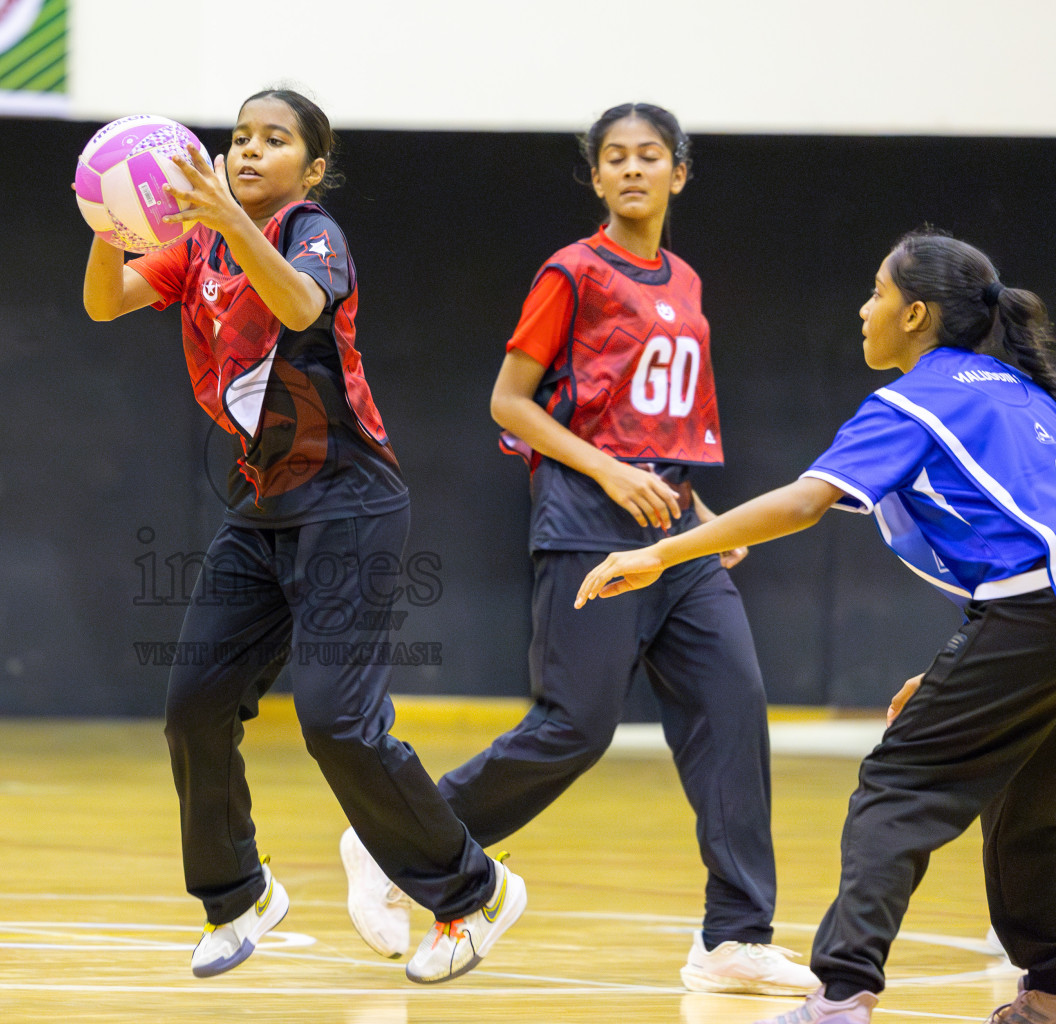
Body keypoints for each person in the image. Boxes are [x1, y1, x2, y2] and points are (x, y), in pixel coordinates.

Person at [340, 102, 816, 996]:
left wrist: (698, 509)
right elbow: (510, 403)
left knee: (734, 705)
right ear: (595, 178)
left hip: (673, 529)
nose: (633, 169)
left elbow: (662, 420)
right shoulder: (572, 271)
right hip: (586, 522)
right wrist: (610, 472)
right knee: (576, 725)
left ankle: (735, 939)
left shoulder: (686, 280)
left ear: (680, 172)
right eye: (614, 158)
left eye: (651, 156)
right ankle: (391, 837)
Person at [81, 88, 525, 984]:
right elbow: (105, 302)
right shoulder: (194, 244)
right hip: (261, 507)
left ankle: (473, 891)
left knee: (336, 720)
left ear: (311, 169)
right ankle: (237, 894)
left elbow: (297, 310)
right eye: (238, 137)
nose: (248, 152)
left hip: (349, 502)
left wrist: (230, 225)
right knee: (194, 705)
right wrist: (109, 213)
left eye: (273, 141)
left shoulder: (309, 233)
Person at [576, 229, 1056, 1024]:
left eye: (876, 292)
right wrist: (958, 670)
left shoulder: (917, 398)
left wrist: (664, 552)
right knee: (1033, 800)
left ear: (917, 315)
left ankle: (840, 994)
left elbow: (804, 502)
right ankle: (1047, 992)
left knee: (897, 789)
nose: (863, 308)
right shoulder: (1027, 396)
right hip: (1030, 619)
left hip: (1029, 616)